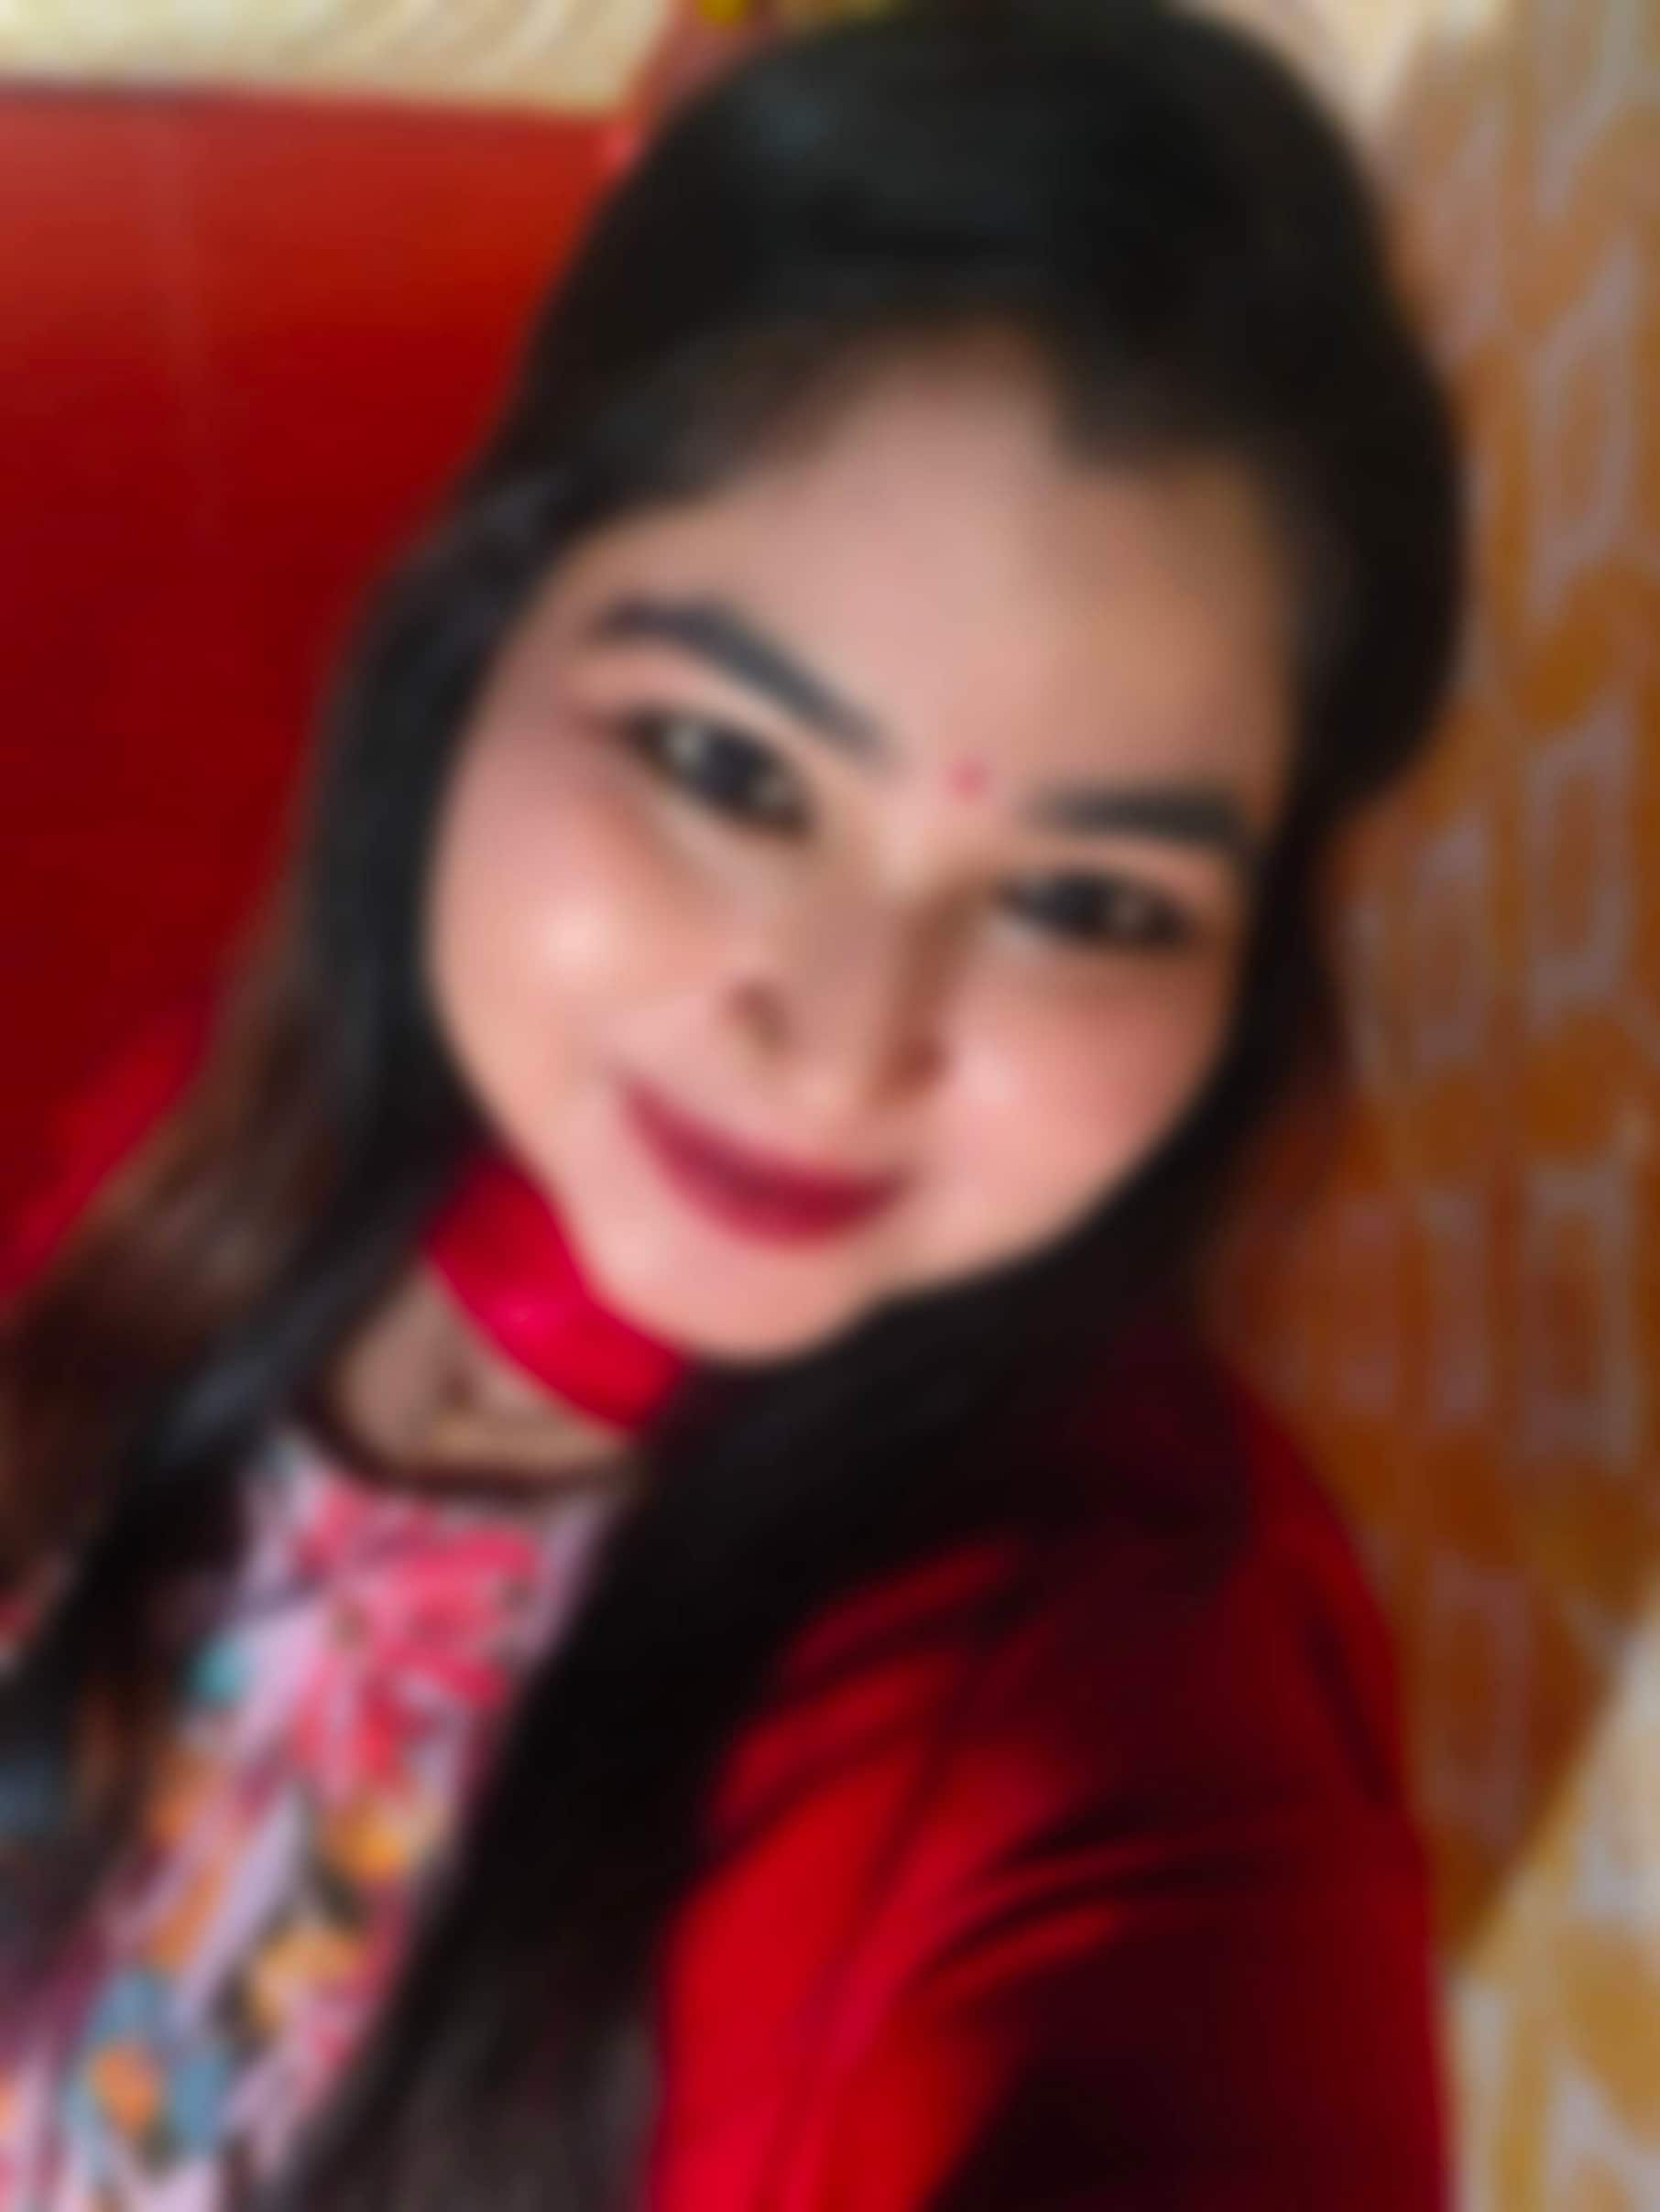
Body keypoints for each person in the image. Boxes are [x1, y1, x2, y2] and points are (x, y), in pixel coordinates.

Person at [0, 3, 1463, 2205]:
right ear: (474, 645)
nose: (844, 1042)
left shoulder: (1095, 1717)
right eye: (726, 764)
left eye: (1087, 898)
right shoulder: (229, 1106)